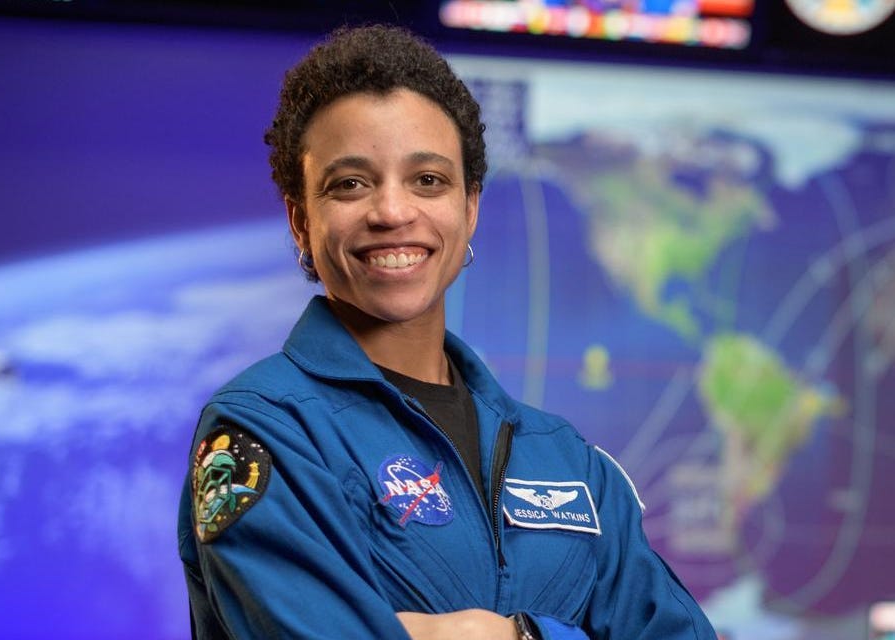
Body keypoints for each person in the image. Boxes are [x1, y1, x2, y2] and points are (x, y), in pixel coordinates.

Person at [176, 23, 718, 640]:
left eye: (428, 180)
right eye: (349, 184)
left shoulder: (565, 459)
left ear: (470, 209)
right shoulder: (264, 432)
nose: (392, 211)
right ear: (301, 221)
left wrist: (513, 637)